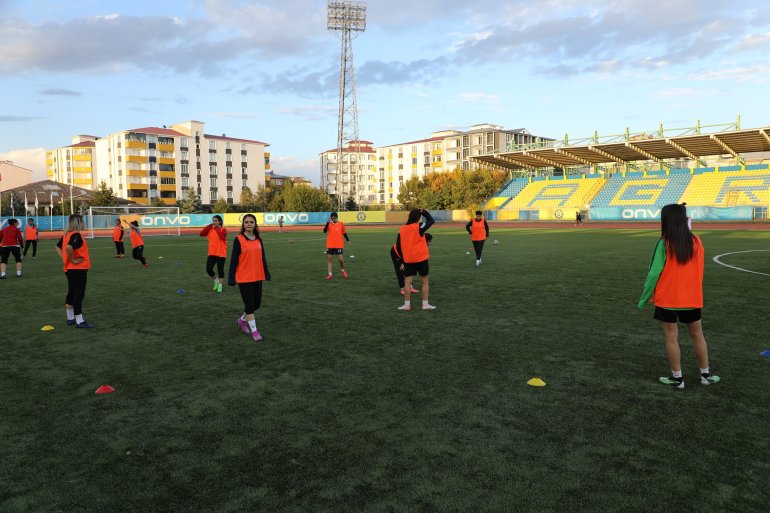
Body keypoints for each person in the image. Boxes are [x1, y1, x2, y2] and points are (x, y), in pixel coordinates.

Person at [638, 203, 719, 389]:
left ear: (665, 220)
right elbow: (699, 271)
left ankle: (678, 379)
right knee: (697, 334)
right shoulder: (696, 241)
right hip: (692, 298)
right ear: (684, 219)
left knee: (671, 336)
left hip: (667, 300)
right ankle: (705, 375)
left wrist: (645, 298)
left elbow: (653, 274)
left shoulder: (664, 243)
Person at [228, 214, 271, 342]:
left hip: (257, 275)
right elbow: (234, 260)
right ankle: (255, 331)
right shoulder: (238, 239)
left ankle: (242, 320)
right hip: (244, 277)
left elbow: (262, 257)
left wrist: (266, 272)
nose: (249, 224)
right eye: (246, 222)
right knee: (250, 305)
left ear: (255, 224)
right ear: (243, 224)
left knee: (256, 304)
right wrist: (231, 277)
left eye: (251, 222)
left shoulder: (258, 239)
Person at [54, 215, 94, 328]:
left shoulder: (67, 234)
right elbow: (68, 247)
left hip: (69, 269)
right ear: (77, 223)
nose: (84, 224)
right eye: (82, 222)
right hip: (78, 269)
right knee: (78, 294)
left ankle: (70, 318)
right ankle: (79, 321)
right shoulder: (76, 235)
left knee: (71, 293)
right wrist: (72, 259)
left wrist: (65, 259)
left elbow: (57, 247)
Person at [396, 208, 435, 311]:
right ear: (418, 218)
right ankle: (425, 304)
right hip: (421, 258)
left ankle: (407, 305)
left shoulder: (402, 229)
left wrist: (401, 260)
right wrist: (425, 212)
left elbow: (398, 246)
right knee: (424, 281)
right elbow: (431, 220)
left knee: (407, 282)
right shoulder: (419, 227)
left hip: (408, 259)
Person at [200, 214, 228, 293]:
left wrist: (217, 228)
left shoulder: (223, 229)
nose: (214, 222)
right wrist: (210, 226)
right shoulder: (210, 229)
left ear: (220, 222)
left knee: (220, 270)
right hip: (212, 253)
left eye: (216, 221)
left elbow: (222, 237)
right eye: (213, 221)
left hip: (221, 253)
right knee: (208, 269)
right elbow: (201, 233)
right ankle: (216, 281)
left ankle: (220, 285)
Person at [323, 212, 350, 280]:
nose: (333, 219)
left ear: (337, 217)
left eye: (334, 218)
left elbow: (344, 233)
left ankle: (343, 270)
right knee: (329, 259)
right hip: (330, 244)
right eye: (332, 218)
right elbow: (324, 231)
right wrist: (327, 223)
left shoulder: (341, 224)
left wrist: (348, 240)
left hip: (338, 244)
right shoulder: (329, 224)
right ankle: (330, 274)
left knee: (341, 259)